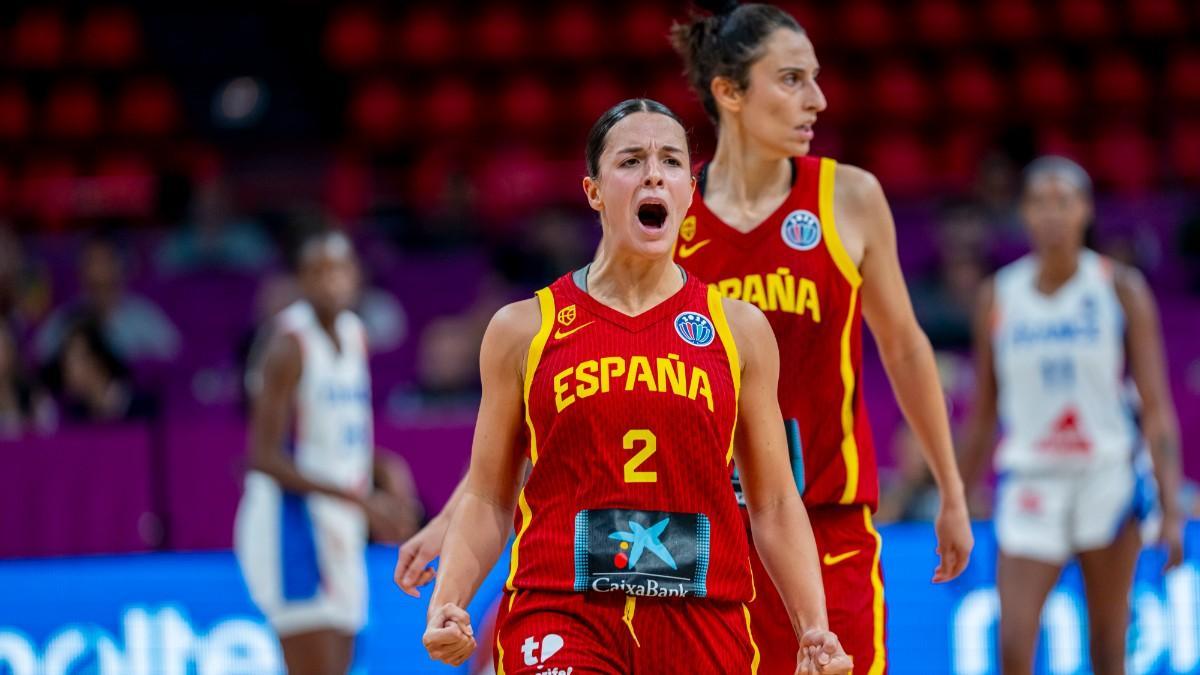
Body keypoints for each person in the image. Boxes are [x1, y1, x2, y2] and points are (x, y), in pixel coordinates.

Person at [422, 99, 851, 674]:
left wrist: (813, 628)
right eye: (631, 160)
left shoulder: (740, 329)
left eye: (671, 161)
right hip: (562, 609)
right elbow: (489, 496)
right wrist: (450, 599)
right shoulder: (522, 328)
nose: (654, 172)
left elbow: (773, 501)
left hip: (702, 615)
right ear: (595, 191)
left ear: (688, 190)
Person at [661, 3, 975, 673]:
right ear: (729, 92)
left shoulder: (849, 197)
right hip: (703, 529)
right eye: (793, 79)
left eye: (817, 78)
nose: (819, 100)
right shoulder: (670, 214)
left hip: (828, 517)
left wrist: (950, 489)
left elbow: (905, 346)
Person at [960, 157, 1184, 675]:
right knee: (1014, 644)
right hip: (1032, 478)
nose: (1052, 213)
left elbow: (1155, 407)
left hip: (1105, 475)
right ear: (1024, 213)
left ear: (1085, 210)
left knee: (1108, 648)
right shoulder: (999, 294)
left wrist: (1170, 508)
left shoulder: (1119, 288)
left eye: (1064, 201)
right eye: (1040, 202)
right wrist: (957, 495)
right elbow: (983, 413)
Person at [233, 231, 409, 675]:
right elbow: (262, 456)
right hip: (290, 525)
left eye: (337, 270)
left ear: (355, 276)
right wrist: (360, 499)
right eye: (316, 272)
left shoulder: (354, 334)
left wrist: (384, 468)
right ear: (301, 281)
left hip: (338, 519)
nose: (328, 281)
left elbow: (334, 437)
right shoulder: (287, 345)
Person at [35, 235, 180, 363]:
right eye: (91, 261)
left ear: (120, 267)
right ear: (81, 271)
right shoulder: (64, 318)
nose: (98, 270)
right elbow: (40, 357)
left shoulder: (144, 316)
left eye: (105, 261)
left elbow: (174, 356)